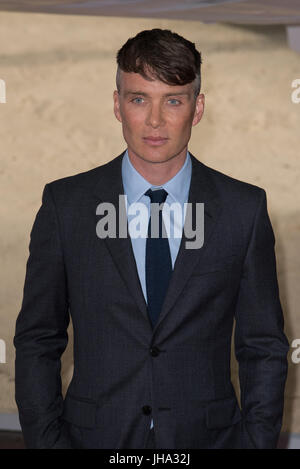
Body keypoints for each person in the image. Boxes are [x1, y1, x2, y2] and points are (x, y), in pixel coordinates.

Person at [14, 28, 289, 449]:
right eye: (139, 98)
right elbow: (38, 339)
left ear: (197, 109)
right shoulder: (65, 205)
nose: (155, 121)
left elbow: (263, 348)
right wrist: (47, 442)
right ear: (117, 104)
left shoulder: (243, 210)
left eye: (173, 100)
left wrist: (255, 443)